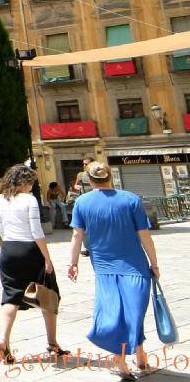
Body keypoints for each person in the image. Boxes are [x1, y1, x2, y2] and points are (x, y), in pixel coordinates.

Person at [68, 161, 160, 381]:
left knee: (116, 313)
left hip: (104, 268)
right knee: (134, 312)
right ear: (111, 177)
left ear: (90, 181)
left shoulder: (82, 202)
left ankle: (133, 356)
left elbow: (77, 235)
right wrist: (154, 263)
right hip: (136, 266)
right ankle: (128, 357)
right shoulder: (131, 199)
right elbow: (144, 235)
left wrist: (73, 263)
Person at [0, 164, 66, 364]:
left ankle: (3, 340)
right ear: (24, 182)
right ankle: (52, 343)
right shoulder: (29, 199)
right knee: (49, 294)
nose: (32, 186)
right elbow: (36, 231)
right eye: (31, 182)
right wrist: (47, 258)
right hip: (29, 249)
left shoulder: (0, 199)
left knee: (11, 296)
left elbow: (1, 228)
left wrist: (10, 244)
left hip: (8, 249)